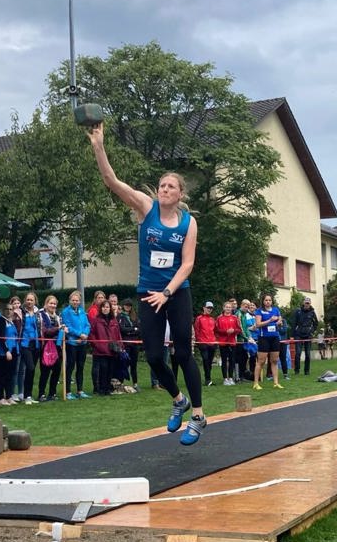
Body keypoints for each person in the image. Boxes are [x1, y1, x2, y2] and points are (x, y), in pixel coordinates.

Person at [88, 122, 206, 446]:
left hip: (176, 293)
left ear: (180, 193)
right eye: (161, 185)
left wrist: (167, 292)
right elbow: (111, 182)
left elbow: (188, 264)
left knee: (183, 353)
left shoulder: (188, 222)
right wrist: (99, 145)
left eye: (170, 186)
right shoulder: (145, 207)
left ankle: (197, 415)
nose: (164, 189)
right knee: (154, 357)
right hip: (147, 293)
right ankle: (178, 399)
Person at [61, 290, 91, 399]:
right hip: (72, 343)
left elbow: (87, 325)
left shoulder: (82, 311)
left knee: (81, 366)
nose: (75, 302)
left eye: (77, 300)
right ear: (70, 301)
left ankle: (80, 390)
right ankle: (68, 391)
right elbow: (68, 326)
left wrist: (85, 334)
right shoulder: (65, 312)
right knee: (70, 366)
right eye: (73, 300)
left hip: (82, 343)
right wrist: (79, 335)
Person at [90, 300, 123, 395]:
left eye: (107, 307)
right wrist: (97, 345)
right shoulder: (96, 320)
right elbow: (91, 334)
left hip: (112, 350)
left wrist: (120, 346)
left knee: (110, 370)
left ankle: (108, 388)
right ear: (101, 308)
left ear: (110, 309)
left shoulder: (114, 320)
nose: (105, 308)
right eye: (104, 307)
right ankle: (101, 389)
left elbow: (118, 334)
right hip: (101, 350)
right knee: (103, 370)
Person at [253, 294, 283, 390]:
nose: (268, 302)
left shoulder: (276, 310)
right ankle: (256, 383)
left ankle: (276, 382)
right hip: (263, 338)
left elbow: (280, 320)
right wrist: (270, 320)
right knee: (261, 361)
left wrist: (279, 322)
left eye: (270, 300)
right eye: (266, 300)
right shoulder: (259, 311)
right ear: (263, 301)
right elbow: (258, 324)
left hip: (274, 337)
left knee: (274, 360)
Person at [37, 295, 64, 401]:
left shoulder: (58, 317)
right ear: (46, 304)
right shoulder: (41, 316)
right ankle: (41, 394)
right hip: (46, 347)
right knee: (45, 371)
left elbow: (59, 330)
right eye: (51, 303)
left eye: (54, 304)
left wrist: (63, 330)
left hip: (57, 347)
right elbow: (46, 331)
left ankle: (52, 393)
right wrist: (58, 328)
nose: (53, 305)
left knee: (56, 370)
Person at [19, 291, 43, 404]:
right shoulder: (21, 312)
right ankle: (25, 395)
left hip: (36, 344)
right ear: (25, 301)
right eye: (28, 300)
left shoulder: (38, 312)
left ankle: (28, 395)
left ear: (35, 301)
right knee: (30, 367)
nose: (29, 302)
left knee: (32, 371)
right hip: (25, 343)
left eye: (31, 300)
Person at [0, 303, 19, 405]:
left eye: (11, 309)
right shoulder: (1, 321)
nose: (9, 311)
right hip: (3, 352)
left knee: (10, 375)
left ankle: (9, 396)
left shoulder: (12, 322)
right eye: (7, 309)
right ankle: (0, 397)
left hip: (14, 350)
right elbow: (1, 337)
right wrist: (6, 351)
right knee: (1, 375)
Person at [215, 301, 242, 385]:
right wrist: (226, 331)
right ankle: (225, 379)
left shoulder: (234, 318)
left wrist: (233, 330)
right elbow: (216, 330)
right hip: (223, 342)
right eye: (226, 307)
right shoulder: (219, 318)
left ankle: (230, 378)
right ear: (223, 308)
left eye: (229, 307)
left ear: (231, 309)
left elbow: (239, 329)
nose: (228, 309)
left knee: (232, 360)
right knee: (224, 360)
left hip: (232, 342)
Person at [118, 298, 141, 390]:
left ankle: (135, 383)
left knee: (134, 365)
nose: (128, 307)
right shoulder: (120, 316)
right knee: (124, 363)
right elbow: (122, 329)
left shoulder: (135, 316)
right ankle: (121, 383)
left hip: (134, 344)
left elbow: (139, 329)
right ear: (123, 306)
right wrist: (133, 329)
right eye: (126, 305)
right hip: (126, 344)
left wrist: (130, 330)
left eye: (129, 305)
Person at [292, 297, 319, 376]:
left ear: (310, 304)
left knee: (307, 354)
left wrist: (312, 331)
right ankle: (297, 370)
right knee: (298, 353)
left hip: (308, 335)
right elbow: (294, 323)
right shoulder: (298, 311)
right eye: (306, 303)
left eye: (308, 303)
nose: (307, 304)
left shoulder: (312, 312)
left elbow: (316, 323)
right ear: (303, 303)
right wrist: (293, 335)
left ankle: (306, 371)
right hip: (298, 334)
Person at [194, 301, 217, 386]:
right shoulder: (199, 318)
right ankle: (208, 379)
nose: (209, 309)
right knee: (205, 360)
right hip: (203, 343)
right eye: (208, 308)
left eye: (211, 308)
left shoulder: (212, 319)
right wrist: (199, 341)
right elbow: (197, 330)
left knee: (209, 362)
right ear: (204, 308)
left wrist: (215, 341)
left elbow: (215, 331)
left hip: (212, 343)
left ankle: (208, 379)